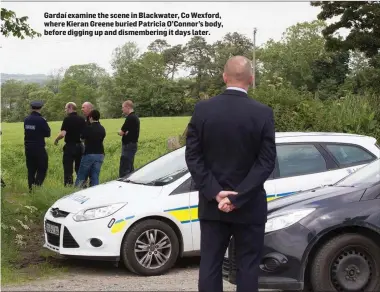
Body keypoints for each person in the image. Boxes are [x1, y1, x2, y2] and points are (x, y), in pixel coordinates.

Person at [185, 56, 276, 292]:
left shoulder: (202, 110)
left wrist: (216, 193)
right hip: (250, 206)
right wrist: (239, 197)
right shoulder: (263, 113)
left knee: (210, 265)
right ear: (251, 79)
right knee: (248, 267)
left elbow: (193, 157)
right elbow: (266, 162)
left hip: (212, 206)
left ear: (224, 77)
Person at [54, 102, 86, 186]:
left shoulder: (67, 119)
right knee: (79, 168)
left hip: (70, 146)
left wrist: (56, 139)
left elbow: (62, 134)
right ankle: (81, 185)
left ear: (70, 108)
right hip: (80, 146)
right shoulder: (82, 119)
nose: (65, 110)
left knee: (68, 168)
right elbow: (85, 134)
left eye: (65, 108)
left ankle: (68, 186)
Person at [24, 101, 51, 192]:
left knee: (31, 169)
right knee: (43, 167)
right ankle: (37, 186)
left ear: (31, 108)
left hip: (28, 148)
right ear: (40, 108)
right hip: (39, 148)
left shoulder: (26, 119)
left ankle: (31, 190)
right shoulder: (41, 120)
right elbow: (48, 133)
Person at [75, 110, 106, 188]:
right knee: (95, 176)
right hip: (100, 154)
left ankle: (76, 191)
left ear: (91, 117)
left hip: (89, 153)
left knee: (81, 176)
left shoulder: (88, 128)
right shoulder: (102, 128)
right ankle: (94, 192)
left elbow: (81, 139)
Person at [118, 100, 140, 177]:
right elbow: (125, 131)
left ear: (127, 107)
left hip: (128, 145)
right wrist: (125, 132)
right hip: (133, 144)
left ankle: (123, 183)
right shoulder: (135, 117)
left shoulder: (130, 118)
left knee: (124, 168)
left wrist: (122, 132)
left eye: (123, 107)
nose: (122, 109)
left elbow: (121, 132)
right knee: (130, 167)